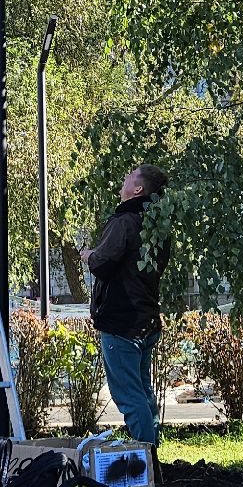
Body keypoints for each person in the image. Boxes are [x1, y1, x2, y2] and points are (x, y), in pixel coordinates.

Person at [84, 164, 171, 444]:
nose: (124, 179)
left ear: (138, 189)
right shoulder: (158, 225)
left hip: (121, 323)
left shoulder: (124, 221)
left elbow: (104, 264)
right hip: (147, 319)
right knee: (144, 393)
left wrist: (89, 256)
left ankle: (146, 461)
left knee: (130, 397)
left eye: (129, 176)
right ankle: (152, 457)